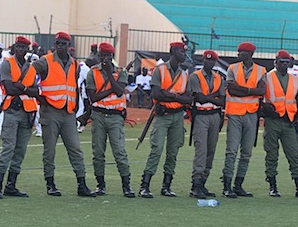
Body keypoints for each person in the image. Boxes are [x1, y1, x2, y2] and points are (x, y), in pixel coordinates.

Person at [32, 31, 96, 197]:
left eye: (63, 43)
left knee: (75, 148)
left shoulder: (74, 64)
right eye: (58, 43)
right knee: (50, 150)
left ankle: (82, 184)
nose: (60, 46)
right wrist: (38, 96)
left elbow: (74, 85)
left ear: (69, 45)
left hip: (68, 112)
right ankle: (50, 184)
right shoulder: (45, 61)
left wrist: (75, 104)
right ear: (54, 45)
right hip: (50, 111)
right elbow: (29, 75)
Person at [139, 42, 192, 198]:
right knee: (156, 149)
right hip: (163, 115)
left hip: (178, 116)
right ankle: (145, 185)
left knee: (173, 151)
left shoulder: (184, 74)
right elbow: (156, 94)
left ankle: (166, 186)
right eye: (182, 51)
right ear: (174, 51)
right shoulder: (159, 70)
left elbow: (188, 99)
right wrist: (177, 97)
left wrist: (171, 96)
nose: (184, 54)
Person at [0, 36, 39, 199]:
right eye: (18, 47)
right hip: (11, 110)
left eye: (23, 47)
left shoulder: (31, 68)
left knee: (20, 150)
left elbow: (35, 91)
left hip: (27, 113)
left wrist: (22, 87)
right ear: (14, 48)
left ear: (27, 50)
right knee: (8, 147)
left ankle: (11, 185)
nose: (20, 49)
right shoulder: (7, 63)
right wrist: (26, 89)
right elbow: (9, 89)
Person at [85, 42, 135, 197]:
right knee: (98, 152)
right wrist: (112, 88)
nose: (104, 58)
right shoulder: (92, 72)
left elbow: (120, 92)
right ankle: (100, 185)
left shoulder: (121, 72)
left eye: (107, 55)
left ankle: (126, 185)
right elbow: (93, 97)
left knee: (119, 151)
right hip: (98, 115)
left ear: (112, 56)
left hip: (115, 117)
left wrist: (108, 75)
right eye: (102, 55)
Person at [262, 50, 298, 199]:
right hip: (273, 121)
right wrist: (266, 110)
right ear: (275, 62)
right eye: (281, 61)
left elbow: (296, 98)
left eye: (287, 62)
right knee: (272, 154)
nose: (284, 64)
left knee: (294, 154)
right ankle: (273, 186)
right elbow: (260, 96)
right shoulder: (267, 77)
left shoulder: (294, 78)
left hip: (289, 121)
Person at [221, 42, 266, 198]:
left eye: (241, 52)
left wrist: (243, 90)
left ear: (250, 54)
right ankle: (227, 185)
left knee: (246, 152)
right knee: (231, 151)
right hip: (234, 114)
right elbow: (232, 90)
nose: (238, 54)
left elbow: (262, 91)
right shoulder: (232, 68)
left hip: (252, 115)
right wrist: (251, 91)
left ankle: (238, 185)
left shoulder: (261, 70)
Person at [188, 50, 225, 198]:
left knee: (211, 150)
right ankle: (195, 184)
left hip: (215, 116)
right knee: (201, 150)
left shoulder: (219, 78)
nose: (208, 62)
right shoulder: (195, 76)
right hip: (201, 115)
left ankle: (203, 182)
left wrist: (209, 98)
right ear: (203, 60)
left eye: (211, 61)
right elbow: (199, 98)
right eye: (206, 60)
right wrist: (214, 97)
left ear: (215, 62)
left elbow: (222, 100)